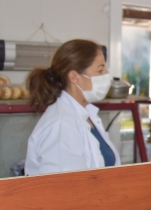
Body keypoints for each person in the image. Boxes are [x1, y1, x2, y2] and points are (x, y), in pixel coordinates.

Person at [25, 39, 119, 175]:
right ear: (74, 77)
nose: (106, 76)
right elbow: (66, 188)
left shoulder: (86, 115)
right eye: (100, 70)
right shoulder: (61, 125)